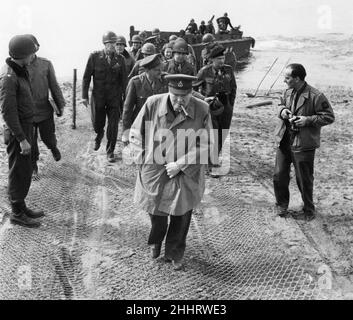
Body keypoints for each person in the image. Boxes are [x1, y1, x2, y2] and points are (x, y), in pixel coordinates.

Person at [129, 74, 215, 270]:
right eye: (175, 96)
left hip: (185, 170)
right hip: (155, 167)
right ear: (169, 91)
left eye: (184, 98)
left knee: (182, 213)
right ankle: (156, 242)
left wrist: (181, 164)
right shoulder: (152, 103)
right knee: (155, 209)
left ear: (191, 93)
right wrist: (142, 158)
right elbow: (135, 133)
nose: (179, 101)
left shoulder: (202, 109)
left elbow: (207, 143)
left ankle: (174, 253)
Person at [273, 64, 335, 221]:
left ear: (297, 78)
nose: (284, 80)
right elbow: (280, 104)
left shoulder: (316, 96)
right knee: (279, 175)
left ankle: (309, 209)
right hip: (284, 140)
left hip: (303, 143)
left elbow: (328, 116)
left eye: (287, 78)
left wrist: (307, 120)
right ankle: (281, 205)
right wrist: (283, 111)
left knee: (304, 178)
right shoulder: (287, 91)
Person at [0, 35, 44, 228]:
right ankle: (16, 213)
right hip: (18, 130)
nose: (33, 56)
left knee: (25, 169)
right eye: (31, 52)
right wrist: (21, 139)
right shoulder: (9, 77)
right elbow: (8, 113)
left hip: (26, 127)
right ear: (22, 54)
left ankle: (21, 205)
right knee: (18, 171)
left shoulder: (19, 70)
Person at [82, 31, 127, 163]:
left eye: (115, 43)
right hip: (99, 97)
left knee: (113, 125)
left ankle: (110, 151)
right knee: (97, 123)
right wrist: (84, 96)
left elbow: (124, 81)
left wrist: (126, 99)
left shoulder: (120, 60)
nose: (112, 46)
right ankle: (99, 134)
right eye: (110, 43)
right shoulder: (94, 57)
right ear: (104, 44)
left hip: (114, 98)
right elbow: (86, 77)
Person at [26, 34, 65, 179]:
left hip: (44, 110)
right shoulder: (19, 66)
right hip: (27, 113)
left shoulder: (45, 64)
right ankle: (33, 167)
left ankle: (53, 148)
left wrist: (60, 105)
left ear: (36, 48)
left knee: (48, 137)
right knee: (31, 142)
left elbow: (54, 86)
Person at [196, 44, 237, 163]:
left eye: (223, 58)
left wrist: (231, 103)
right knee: (212, 133)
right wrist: (203, 99)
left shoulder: (228, 69)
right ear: (212, 59)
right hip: (211, 106)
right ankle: (211, 161)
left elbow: (234, 87)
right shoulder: (204, 71)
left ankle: (215, 156)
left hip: (226, 104)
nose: (222, 61)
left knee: (223, 132)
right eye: (219, 59)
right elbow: (192, 89)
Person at [122, 54, 168, 145]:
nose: (160, 72)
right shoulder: (135, 83)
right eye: (156, 70)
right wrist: (126, 133)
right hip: (141, 125)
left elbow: (184, 90)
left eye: (161, 69)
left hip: (160, 126)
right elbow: (127, 110)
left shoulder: (165, 79)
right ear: (147, 70)